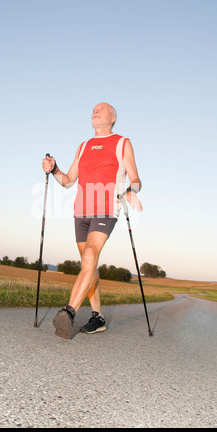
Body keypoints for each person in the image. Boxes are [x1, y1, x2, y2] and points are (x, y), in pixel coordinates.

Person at [42, 102, 142, 339]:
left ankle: (69, 312)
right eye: (94, 109)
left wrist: (130, 190)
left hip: (106, 208)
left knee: (89, 255)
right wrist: (54, 168)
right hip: (81, 211)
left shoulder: (122, 142)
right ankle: (98, 317)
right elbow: (68, 180)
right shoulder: (84, 146)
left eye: (103, 109)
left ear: (113, 117)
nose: (96, 110)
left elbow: (136, 178)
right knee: (90, 266)